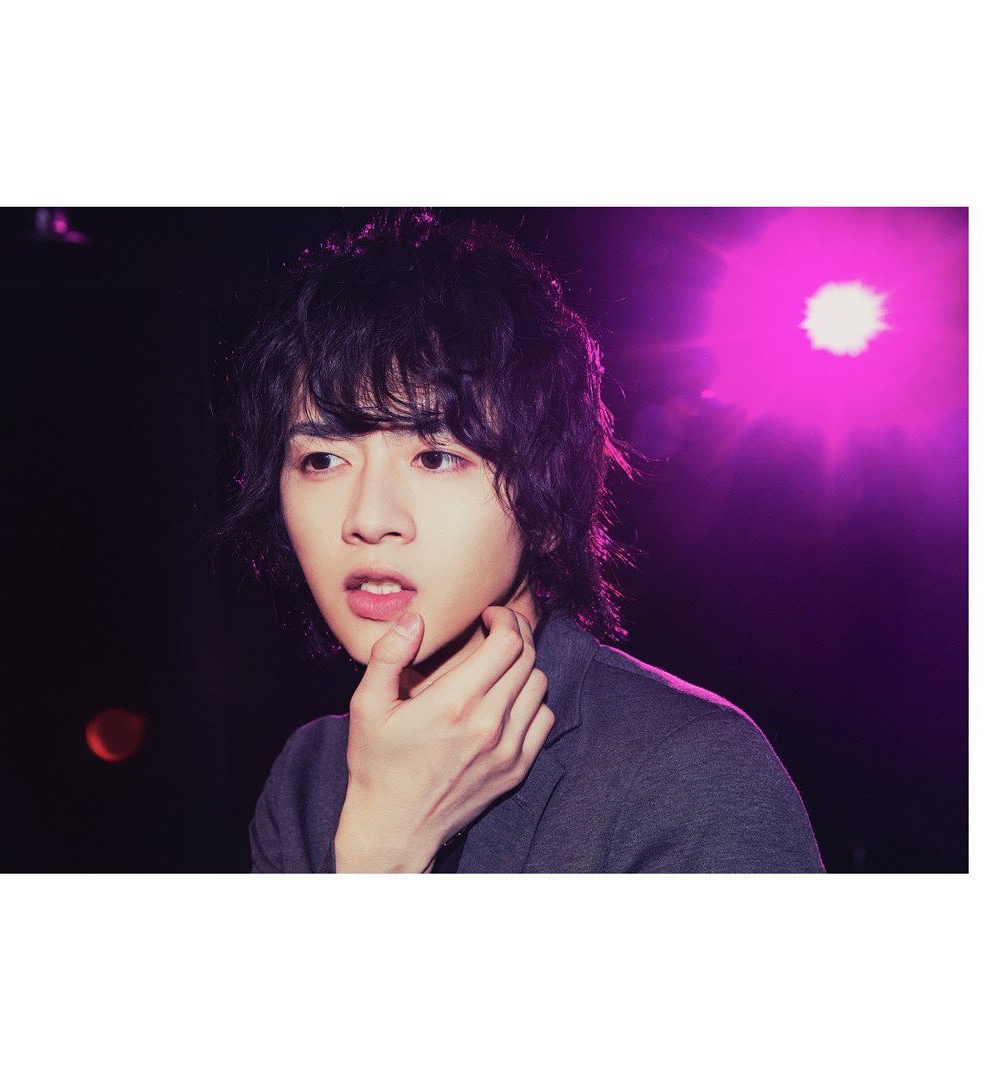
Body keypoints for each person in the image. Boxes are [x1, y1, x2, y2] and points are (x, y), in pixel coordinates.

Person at [215, 208, 824, 873]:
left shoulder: (689, 766)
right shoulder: (308, 782)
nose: (369, 517)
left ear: (545, 496)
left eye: (435, 457)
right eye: (323, 460)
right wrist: (380, 849)